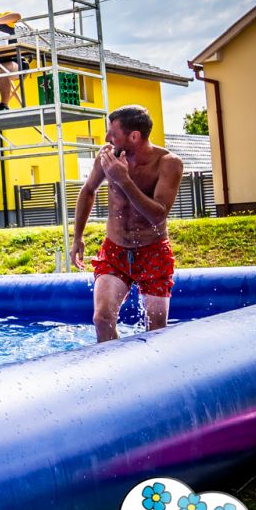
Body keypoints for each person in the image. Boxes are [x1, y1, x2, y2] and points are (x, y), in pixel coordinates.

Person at [71, 105, 184, 343]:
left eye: (112, 132)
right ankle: (112, 372)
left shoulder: (168, 163)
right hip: (115, 250)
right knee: (102, 319)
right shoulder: (107, 156)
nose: (106, 138)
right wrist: (77, 236)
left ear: (134, 136)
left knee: (156, 331)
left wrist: (124, 180)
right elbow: (88, 190)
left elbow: (158, 215)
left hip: (153, 252)